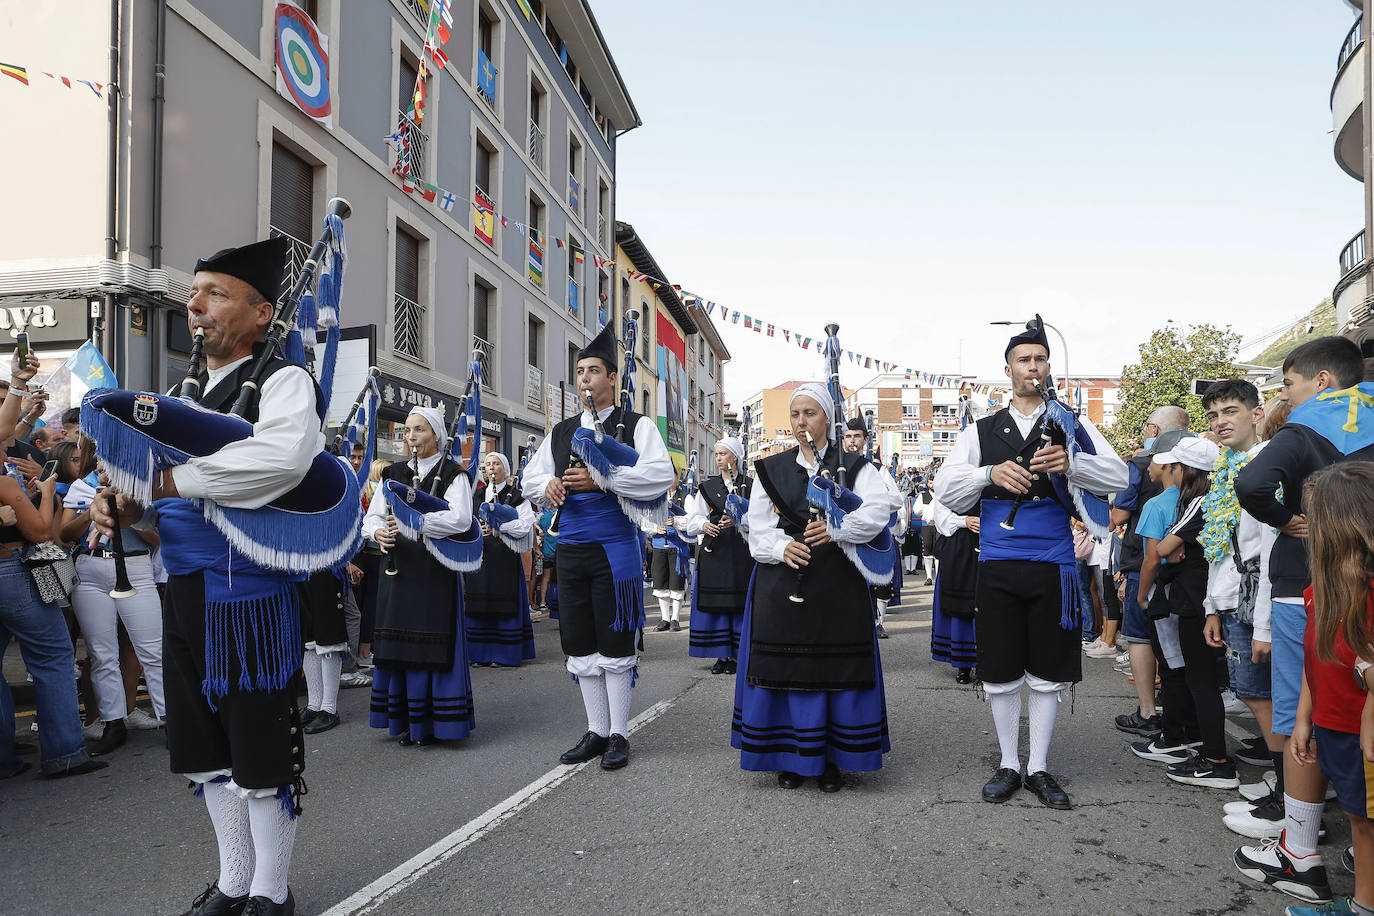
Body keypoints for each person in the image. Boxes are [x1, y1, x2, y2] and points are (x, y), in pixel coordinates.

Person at [89, 236, 321, 915]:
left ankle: (272, 893)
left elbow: (280, 461)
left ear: (260, 312)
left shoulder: (285, 381)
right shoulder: (178, 391)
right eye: (194, 294)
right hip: (181, 583)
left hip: (248, 596)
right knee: (203, 747)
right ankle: (234, 879)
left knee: (257, 747)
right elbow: (152, 493)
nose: (195, 306)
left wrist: (167, 479)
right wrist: (126, 499)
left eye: (214, 293)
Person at [934, 315, 1127, 810]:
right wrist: (988, 473)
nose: (1033, 367)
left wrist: (1073, 463)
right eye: (1024, 360)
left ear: (1049, 366)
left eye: (1041, 359)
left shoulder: (1070, 421)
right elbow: (945, 491)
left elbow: (1119, 476)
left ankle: (1038, 767)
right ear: (1008, 369)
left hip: (1056, 565)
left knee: (1046, 667)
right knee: (999, 668)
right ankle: (1008, 764)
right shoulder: (981, 430)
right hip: (998, 561)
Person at [1234, 336, 1374, 904]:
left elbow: (1250, 485)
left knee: (1302, 721)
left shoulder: (1305, 425)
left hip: (1310, 589)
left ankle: (1299, 851)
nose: (1284, 397)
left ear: (1320, 381)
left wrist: (1290, 517)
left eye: (1287, 384)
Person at [521, 322, 676, 771]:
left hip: (615, 549)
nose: (584, 377)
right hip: (570, 548)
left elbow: (660, 475)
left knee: (613, 641)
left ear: (612, 378)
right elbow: (531, 477)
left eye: (593, 370)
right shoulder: (564, 430)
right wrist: (548, 484)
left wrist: (604, 478)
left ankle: (620, 735)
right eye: (580, 370)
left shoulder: (635, 425)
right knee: (580, 641)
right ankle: (596, 730)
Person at [733, 383, 896, 792]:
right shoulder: (770, 469)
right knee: (787, 669)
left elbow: (879, 513)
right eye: (795, 414)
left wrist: (839, 528)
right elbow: (757, 530)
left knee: (832, 670)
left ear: (827, 419)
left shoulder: (856, 467)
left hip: (838, 582)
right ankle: (790, 757)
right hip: (782, 578)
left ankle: (831, 760)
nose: (801, 422)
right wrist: (782, 546)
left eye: (810, 413)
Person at [0, 348, 107, 781]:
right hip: (11, 572)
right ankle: (64, 752)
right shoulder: (7, 484)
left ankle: (4, 759)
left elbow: (9, 424)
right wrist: (42, 492)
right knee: (53, 657)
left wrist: (18, 383)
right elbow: (44, 532)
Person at [1280, 461, 1374, 916]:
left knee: (1368, 822)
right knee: (1360, 818)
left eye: (1316, 519)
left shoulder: (1368, 591)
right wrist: (1303, 718)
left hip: (1362, 734)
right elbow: (1315, 657)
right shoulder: (1325, 586)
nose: (1308, 529)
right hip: (1332, 725)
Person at [362, 407, 475, 746]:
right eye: (408, 430)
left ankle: (433, 723)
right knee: (399, 642)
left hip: (433, 570)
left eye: (419, 430)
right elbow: (372, 517)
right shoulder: (393, 474)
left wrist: (418, 523)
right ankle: (406, 720)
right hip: (397, 569)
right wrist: (378, 533)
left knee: (430, 645)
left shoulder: (453, 474)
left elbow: (461, 520)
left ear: (437, 436)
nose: (411, 437)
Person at [1137, 436, 1239, 789]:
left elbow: (1164, 549)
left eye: (1176, 466)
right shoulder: (1211, 500)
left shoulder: (1201, 501)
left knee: (1200, 680)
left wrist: (1170, 551)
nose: (1172, 472)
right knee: (1199, 678)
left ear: (1189, 471)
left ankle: (1216, 760)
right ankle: (1209, 751)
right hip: (1202, 598)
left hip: (1197, 602)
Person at [64, 460, 166, 756]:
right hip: (90, 567)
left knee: (152, 649)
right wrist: (93, 510)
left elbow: (158, 538)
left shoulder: (141, 490)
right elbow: (65, 532)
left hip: (134, 564)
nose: (103, 464)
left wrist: (126, 514)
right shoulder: (81, 485)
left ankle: (171, 718)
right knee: (100, 653)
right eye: (100, 459)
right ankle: (112, 722)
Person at [1111, 409, 1193, 736]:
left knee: (1140, 636)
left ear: (1154, 430)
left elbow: (1119, 514)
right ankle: (1177, 710)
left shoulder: (1140, 465)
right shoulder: (1200, 472)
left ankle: (1148, 711)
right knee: (1177, 642)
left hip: (1143, 562)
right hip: (1187, 570)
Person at [681, 437, 753, 674]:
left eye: (723, 453)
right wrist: (704, 525)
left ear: (735, 456)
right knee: (719, 604)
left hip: (743, 552)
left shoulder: (751, 485)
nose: (719, 458)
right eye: (716, 454)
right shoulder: (708, 487)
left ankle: (737, 656)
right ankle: (722, 656)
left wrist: (740, 520)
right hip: (716, 552)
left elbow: (764, 519)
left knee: (740, 604)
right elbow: (694, 517)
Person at [464, 451, 537, 667]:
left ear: (505, 468)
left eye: (496, 463)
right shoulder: (476, 496)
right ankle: (480, 654)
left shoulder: (516, 495)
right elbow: (465, 522)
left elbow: (525, 525)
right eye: (488, 464)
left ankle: (504, 654)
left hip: (505, 556)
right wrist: (478, 529)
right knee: (478, 603)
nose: (492, 467)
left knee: (504, 603)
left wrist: (499, 528)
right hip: (480, 558)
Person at [841, 418, 905, 638]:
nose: (852, 441)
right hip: (843, 536)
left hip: (873, 533)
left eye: (857, 436)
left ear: (865, 440)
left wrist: (871, 501)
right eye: (848, 436)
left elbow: (896, 499)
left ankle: (878, 622)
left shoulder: (877, 469)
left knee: (878, 582)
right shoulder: (833, 469)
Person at [932, 498, 979, 683]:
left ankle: (986, 662)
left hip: (990, 542)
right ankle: (964, 664)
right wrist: (964, 521)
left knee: (991, 604)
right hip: (958, 546)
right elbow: (941, 518)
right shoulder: (950, 477)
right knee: (959, 603)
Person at [648, 481, 689, 632]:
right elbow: (644, 522)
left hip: (677, 548)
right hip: (659, 547)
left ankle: (675, 619)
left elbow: (692, 520)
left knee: (676, 584)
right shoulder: (652, 501)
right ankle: (665, 618)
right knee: (660, 583)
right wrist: (655, 528)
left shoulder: (685, 498)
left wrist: (676, 522)